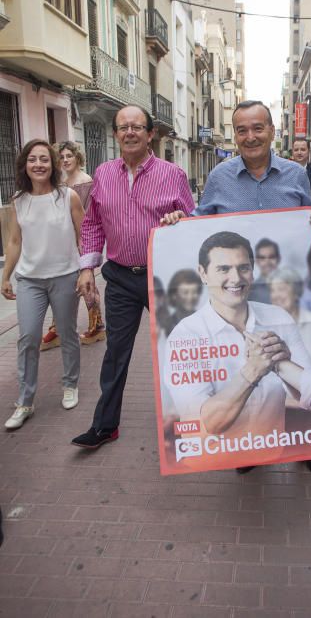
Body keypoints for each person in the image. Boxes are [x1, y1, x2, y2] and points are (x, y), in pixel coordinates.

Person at [162, 99, 311, 481]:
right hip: (238, 292)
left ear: (273, 132)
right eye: (242, 130)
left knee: (305, 368)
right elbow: (200, 220)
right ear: (235, 135)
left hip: (289, 290)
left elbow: (309, 219)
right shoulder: (221, 177)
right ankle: (248, 447)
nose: (250, 136)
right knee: (248, 378)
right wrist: (178, 219)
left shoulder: (295, 174)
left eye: (258, 128)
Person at [71, 104, 195, 450]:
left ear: (150, 133)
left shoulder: (173, 174)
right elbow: (94, 223)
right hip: (121, 278)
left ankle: (188, 421)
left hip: (165, 278)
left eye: (137, 127)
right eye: (123, 127)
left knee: (178, 351)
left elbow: (193, 218)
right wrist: (86, 267)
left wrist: (179, 219)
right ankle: (105, 425)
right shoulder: (104, 174)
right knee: (115, 353)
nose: (129, 132)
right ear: (115, 133)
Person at [163, 232, 311, 439]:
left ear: (252, 272)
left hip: (272, 448)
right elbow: (201, 425)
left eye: (243, 267)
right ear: (203, 273)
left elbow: (308, 398)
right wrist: (252, 371)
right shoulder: (185, 335)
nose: (236, 278)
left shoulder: (278, 317)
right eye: (223, 269)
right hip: (216, 460)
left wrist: (281, 364)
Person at [1, 140, 84, 429]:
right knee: (28, 338)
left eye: (44, 160)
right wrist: (6, 276)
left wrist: (86, 274)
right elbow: (14, 241)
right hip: (29, 280)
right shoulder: (18, 200)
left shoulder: (68, 197)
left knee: (67, 333)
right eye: (33, 159)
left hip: (65, 275)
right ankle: (25, 401)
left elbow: (83, 236)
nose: (39, 164)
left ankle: (70, 383)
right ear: (25, 165)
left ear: (53, 165)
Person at [40, 141, 106, 351]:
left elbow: (88, 218)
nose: (65, 160)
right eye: (62, 157)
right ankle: (57, 326)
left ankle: (97, 326)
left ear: (78, 157)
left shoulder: (85, 181)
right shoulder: (61, 182)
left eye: (69, 156)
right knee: (57, 284)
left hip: (79, 241)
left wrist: (83, 245)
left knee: (85, 283)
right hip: (60, 241)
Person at [268, 266, 311, 373]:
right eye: (273, 290)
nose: (275, 295)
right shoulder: (266, 326)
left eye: (281, 289)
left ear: (296, 293)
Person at [164, 269, 203, 334]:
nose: (190, 298)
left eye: (194, 292)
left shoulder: (205, 321)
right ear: (174, 295)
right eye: (185, 293)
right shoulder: (166, 326)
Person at [249, 238, 281, 304]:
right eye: (262, 258)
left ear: (278, 259)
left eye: (271, 257)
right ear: (257, 261)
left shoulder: (291, 286)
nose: (267, 262)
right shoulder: (250, 292)